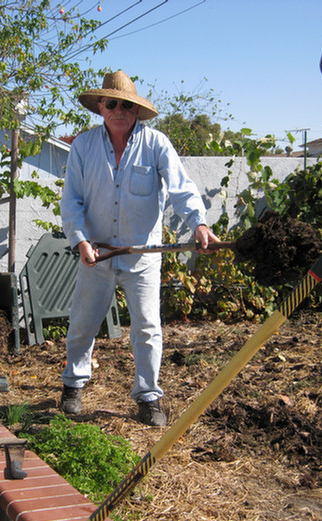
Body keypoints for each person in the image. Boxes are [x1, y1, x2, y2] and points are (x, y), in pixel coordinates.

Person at [59, 69, 219, 426]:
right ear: (101, 106)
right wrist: (81, 240)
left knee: (147, 328)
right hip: (96, 255)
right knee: (83, 325)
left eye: (126, 106)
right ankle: (73, 385)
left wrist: (199, 224)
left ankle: (148, 396)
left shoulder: (157, 145)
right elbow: (71, 202)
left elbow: (181, 188)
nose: (119, 110)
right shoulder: (83, 147)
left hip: (143, 257)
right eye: (112, 103)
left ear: (136, 111)